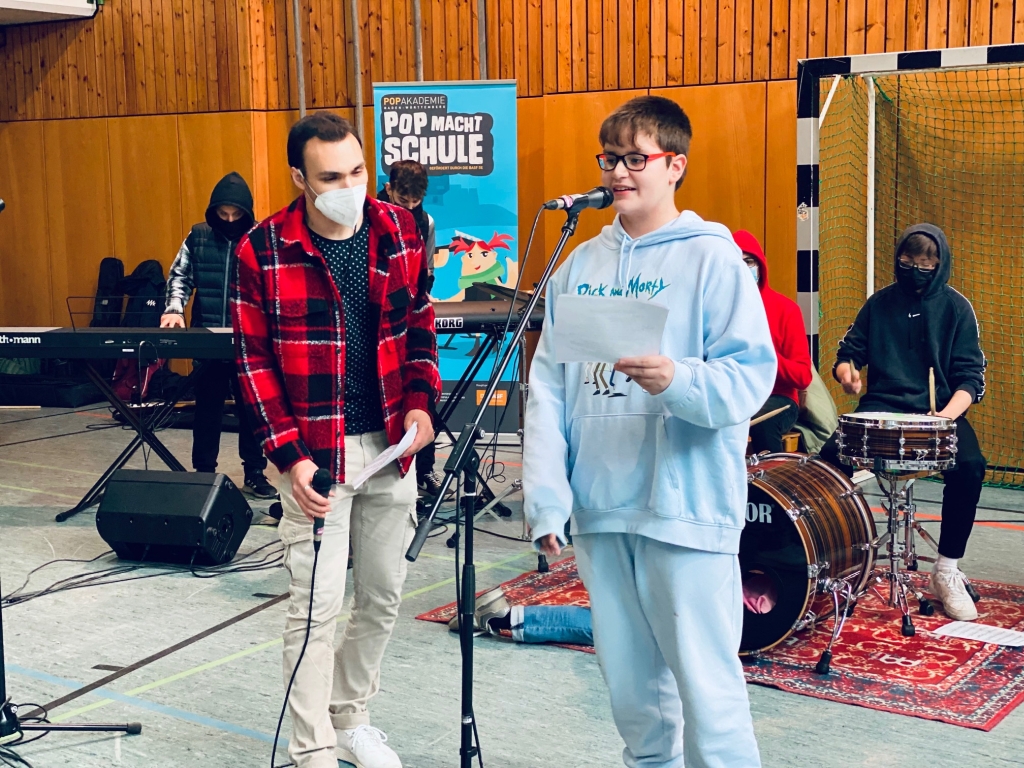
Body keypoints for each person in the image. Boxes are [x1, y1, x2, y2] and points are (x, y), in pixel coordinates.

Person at [523, 95, 775, 768]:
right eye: (610, 158)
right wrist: (547, 498)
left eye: (636, 158)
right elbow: (549, 391)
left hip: (685, 510)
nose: (618, 172)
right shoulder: (578, 267)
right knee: (634, 698)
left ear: (675, 166)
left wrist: (677, 380)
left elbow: (750, 377)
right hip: (602, 511)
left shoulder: (713, 260)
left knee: (709, 696)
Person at [231, 112, 439, 768]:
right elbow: (252, 363)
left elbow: (419, 325)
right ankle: (312, 747)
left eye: (357, 172)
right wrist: (289, 457)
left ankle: (350, 718)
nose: (349, 187)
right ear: (300, 178)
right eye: (330, 178)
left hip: (390, 447)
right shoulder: (261, 249)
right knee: (316, 609)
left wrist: (421, 403)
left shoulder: (400, 230)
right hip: (315, 456)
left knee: (381, 597)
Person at [819, 224, 986, 622]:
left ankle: (946, 569)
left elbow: (971, 378)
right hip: (881, 406)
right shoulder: (878, 304)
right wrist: (847, 373)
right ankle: (831, 562)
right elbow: (849, 352)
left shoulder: (957, 308)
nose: (915, 270)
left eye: (925, 264)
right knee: (826, 465)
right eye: (908, 262)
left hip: (939, 412)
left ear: (940, 264)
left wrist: (944, 418)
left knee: (970, 466)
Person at [160, 172, 277, 499]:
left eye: (235, 214)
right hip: (208, 337)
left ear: (246, 212)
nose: (229, 220)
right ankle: (204, 472)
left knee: (252, 412)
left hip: (249, 340)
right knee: (207, 410)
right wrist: (174, 309)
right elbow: (180, 276)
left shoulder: (261, 239)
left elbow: (273, 287)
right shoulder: (197, 237)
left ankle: (254, 473)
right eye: (222, 214)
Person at [377, 160, 446, 499]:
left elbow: (426, 268)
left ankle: (425, 470)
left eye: (415, 202)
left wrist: (423, 295)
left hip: (411, 313)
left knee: (421, 392)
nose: (408, 207)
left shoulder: (426, 222)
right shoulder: (369, 217)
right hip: (381, 316)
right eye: (402, 200)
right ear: (389, 189)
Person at [734, 230, 813, 454]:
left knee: (762, 423)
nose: (743, 268)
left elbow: (803, 376)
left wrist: (766, 355)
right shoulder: (717, 309)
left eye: (748, 262)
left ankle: (771, 477)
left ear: (760, 265)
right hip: (734, 395)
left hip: (779, 398)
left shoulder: (786, 309)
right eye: (736, 262)